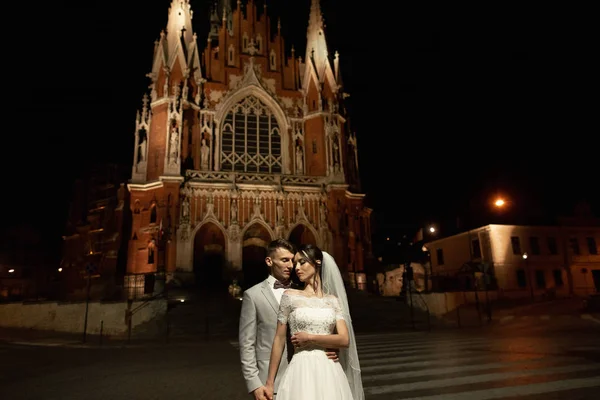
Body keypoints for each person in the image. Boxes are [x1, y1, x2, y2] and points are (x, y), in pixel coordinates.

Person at [239, 239, 339, 400]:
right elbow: (246, 344)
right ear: (269, 261)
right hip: (269, 382)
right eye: (284, 260)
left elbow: (321, 326)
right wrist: (254, 384)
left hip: (305, 376)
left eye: (292, 261)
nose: (291, 266)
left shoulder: (302, 292)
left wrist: (330, 350)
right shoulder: (253, 295)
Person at [265, 244, 364, 400]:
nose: (296, 267)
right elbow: (279, 339)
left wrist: (311, 338)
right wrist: (269, 383)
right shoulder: (289, 296)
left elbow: (344, 340)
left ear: (317, 262)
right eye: (295, 263)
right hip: (301, 369)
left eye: (302, 262)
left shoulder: (332, 301)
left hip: (329, 370)